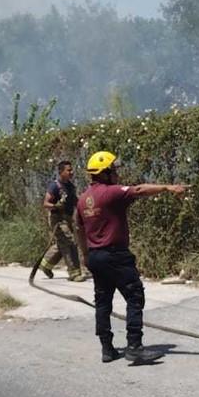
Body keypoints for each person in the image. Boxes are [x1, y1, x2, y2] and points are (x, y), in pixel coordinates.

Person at [76, 151, 187, 363]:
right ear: (105, 172)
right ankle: (134, 346)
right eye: (114, 170)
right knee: (135, 295)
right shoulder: (111, 193)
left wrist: (85, 254)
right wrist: (168, 187)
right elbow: (139, 189)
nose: (117, 174)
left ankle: (107, 349)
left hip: (95, 256)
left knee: (102, 301)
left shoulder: (82, 200)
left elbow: (78, 229)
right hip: (115, 255)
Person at [38, 161, 87, 282]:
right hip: (58, 220)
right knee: (70, 242)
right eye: (68, 170)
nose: (72, 172)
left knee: (62, 244)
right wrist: (55, 206)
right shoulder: (54, 186)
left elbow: (75, 201)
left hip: (68, 218)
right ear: (61, 172)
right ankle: (74, 273)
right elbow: (45, 203)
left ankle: (45, 265)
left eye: (72, 170)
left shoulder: (70, 186)